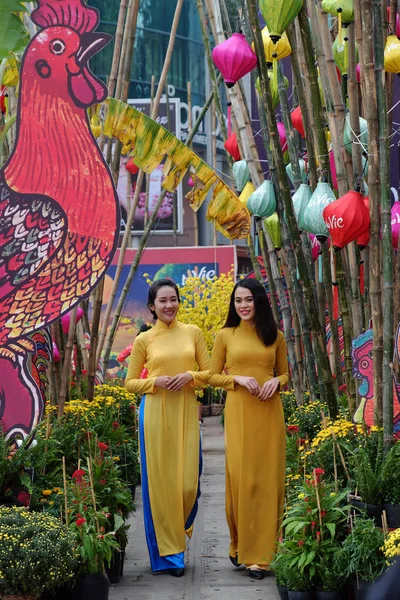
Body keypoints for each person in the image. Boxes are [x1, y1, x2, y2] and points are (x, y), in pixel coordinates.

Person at [125, 278, 209, 577]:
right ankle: (171, 555)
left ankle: (180, 529)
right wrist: (155, 382)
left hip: (186, 410)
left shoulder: (193, 333)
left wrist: (189, 376)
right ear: (152, 306)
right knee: (160, 486)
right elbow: (131, 382)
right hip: (156, 412)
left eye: (173, 299)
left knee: (188, 483)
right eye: (162, 301)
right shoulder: (144, 339)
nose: (169, 305)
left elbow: (209, 372)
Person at [208, 278, 289, 580]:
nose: (242, 305)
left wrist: (275, 382)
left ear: (259, 301)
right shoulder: (225, 335)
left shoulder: (275, 336)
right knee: (241, 480)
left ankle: (262, 557)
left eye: (248, 299)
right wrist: (237, 379)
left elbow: (284, 374)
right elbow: (211, 376)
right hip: (240, 411)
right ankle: (239, 543)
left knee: (269, 482)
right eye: (238, 300)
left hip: (269, 413)